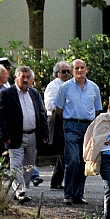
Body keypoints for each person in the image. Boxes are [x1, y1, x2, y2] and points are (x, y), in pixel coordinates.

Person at [0, 65, 47, 202]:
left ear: (32, 79)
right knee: (16, 164)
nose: (25, 80)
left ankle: (25, 189)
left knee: (29, 165)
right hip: (15, 136)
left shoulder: (34, 94)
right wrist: (5, 135)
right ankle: (19, 191)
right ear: (16, 78)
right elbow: (0, 116)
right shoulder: (6, 94)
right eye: (22, 76)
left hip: (32, 135)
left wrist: (44, 132)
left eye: (28, 77)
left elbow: (41, 113)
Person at [53, 59, 101, 205]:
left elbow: (97, 109)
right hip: (71, 125)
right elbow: (58, 109)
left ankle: (78, 194)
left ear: (86, 69)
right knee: (72, 160)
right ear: (72, 71)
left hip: (88, 126)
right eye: (76, 68)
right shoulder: (65, 88)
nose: (79, 70)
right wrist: (69, 122)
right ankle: (68, 194)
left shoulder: (94, 88)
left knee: (84, 161)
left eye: (82, 68)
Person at [44, 61, 72, 190]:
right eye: (63, 71)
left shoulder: (71, 85)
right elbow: (51, 105)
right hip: (57, 120)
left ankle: (56, 180)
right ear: (57, 73)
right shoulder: (53, 86)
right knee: (63, 151)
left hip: (68, 119)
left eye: (68, 71)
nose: (66, 74)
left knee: (64, 152)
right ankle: (58, 180)